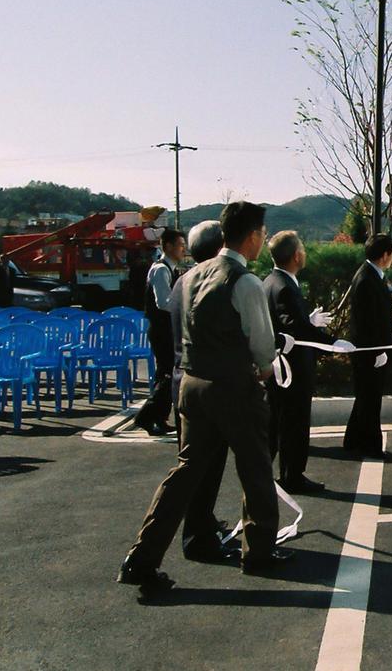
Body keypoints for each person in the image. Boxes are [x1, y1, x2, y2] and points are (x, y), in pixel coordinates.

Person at [118, 202, 290, 593]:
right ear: (252, 236)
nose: (262, 240)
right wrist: (263, 373)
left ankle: (141, 558)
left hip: (192, 386)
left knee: (184, 474)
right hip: (233, 387)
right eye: (262, 233)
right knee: (255, 469)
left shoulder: (192, 276)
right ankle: (258, 552)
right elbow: (263, 347)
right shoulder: (244, 280)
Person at [166, 220, 237, 561]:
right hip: (205, 383)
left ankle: (203, 524)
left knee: (197, 465)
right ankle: (198, 538)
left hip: (182, 379)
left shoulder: (183, 281)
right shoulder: (212, 283)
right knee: (203, 468)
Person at [264, 230, 334, 493]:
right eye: (302, 248)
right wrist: (333, 343)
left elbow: (290, 323)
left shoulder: (271, 281)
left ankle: (284, 473)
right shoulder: (284, 286)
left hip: (280, 368)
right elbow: (294, 328)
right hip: (292, 370)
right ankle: (293, 476)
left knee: (280, 423)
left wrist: (309, 320)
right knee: (294, 423)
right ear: (296, 255)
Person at [344, 233, 392, 459]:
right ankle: (371, 447)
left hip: (372, 349)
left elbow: (379, 316)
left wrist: (391, 336)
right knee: (370, 400)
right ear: (385, 255)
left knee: (365, 398)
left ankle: (353, 440)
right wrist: (378, 351)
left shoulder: (371, 275)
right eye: (391, 253)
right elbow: (366, 322)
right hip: (368, 352)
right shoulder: (367, 279)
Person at [134, 229, 185, 436]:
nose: (184, 249)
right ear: (169, 246)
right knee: (168, 374)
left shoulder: (171, 269)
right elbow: (163, 302)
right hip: (162, 329)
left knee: (164, 373)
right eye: (180, 245)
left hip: (168, 329)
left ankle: (159, 417)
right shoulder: (161, 270)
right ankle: (146, 416)